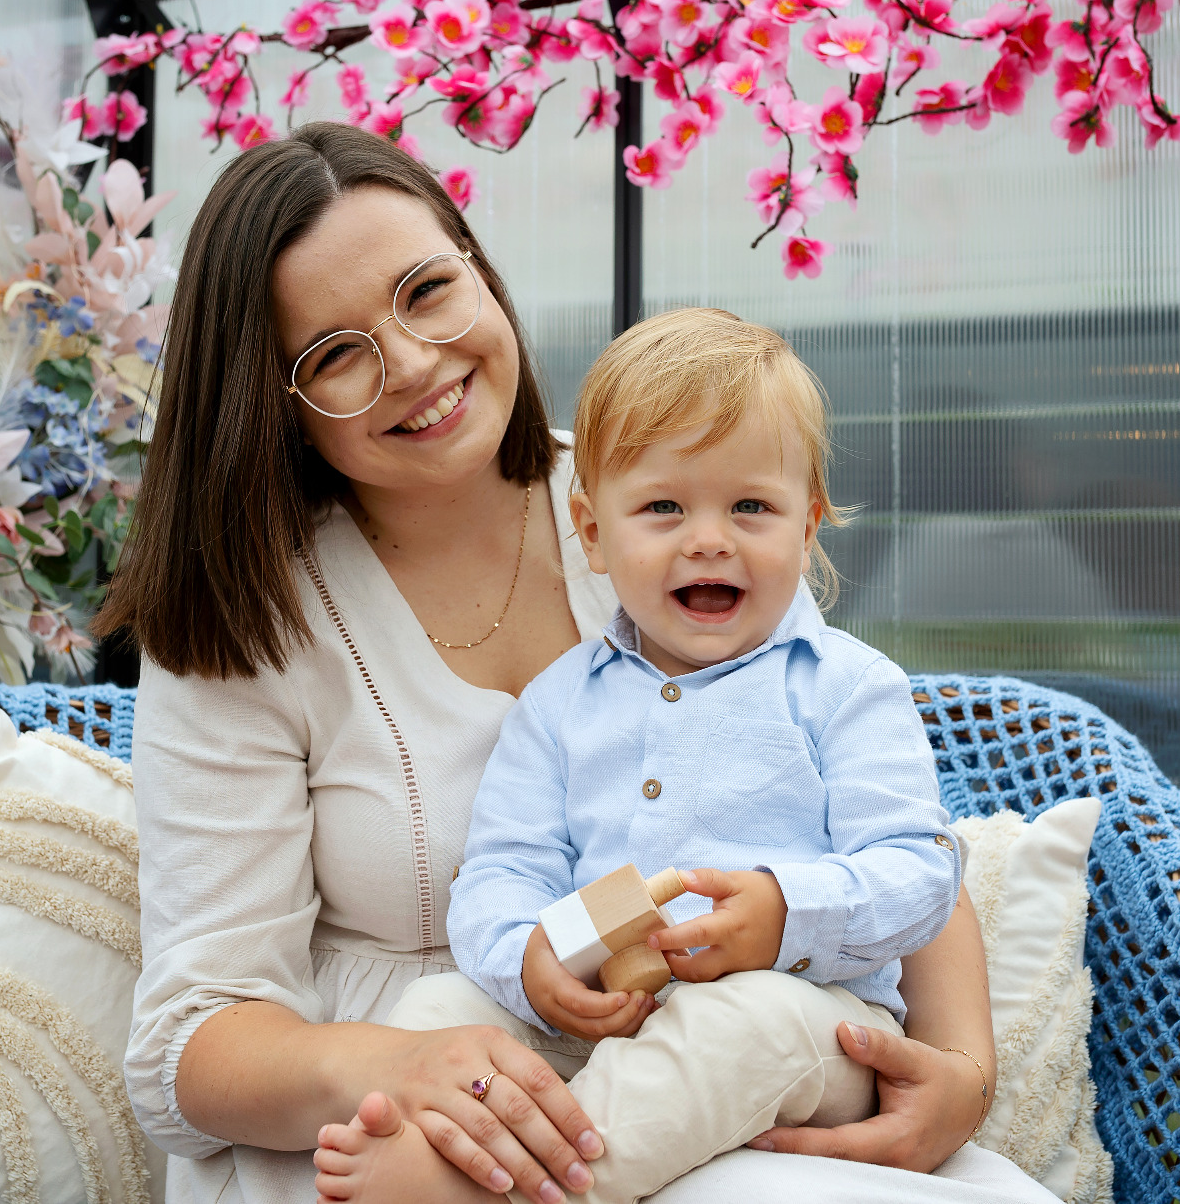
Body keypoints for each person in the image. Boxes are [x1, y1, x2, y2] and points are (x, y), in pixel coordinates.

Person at [105, 121, 1057, 1204]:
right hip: (402, 1122)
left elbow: (871, 810)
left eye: (426, 291)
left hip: (715, 1067)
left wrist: (964, 1080)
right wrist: (391, 1064)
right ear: (273, 402)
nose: (414, 365)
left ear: (477, 266)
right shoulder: (242, 615)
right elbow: (181, 1045)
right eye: (333, 355)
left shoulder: (664, 492)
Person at [312, 309, 967, 1204]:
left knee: (742, 1027)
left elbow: (919, 870)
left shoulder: (845, 685)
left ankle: (514, 1189)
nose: (708, 538)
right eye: (663, 507)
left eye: (751, 506)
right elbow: (504, 869)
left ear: (808, 524)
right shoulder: (558, 706)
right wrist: (531, 964)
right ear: (591, 531)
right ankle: (466, 1151)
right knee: (438, 1016)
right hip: (607, 1018)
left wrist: (788, 911)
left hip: (808, 1023)